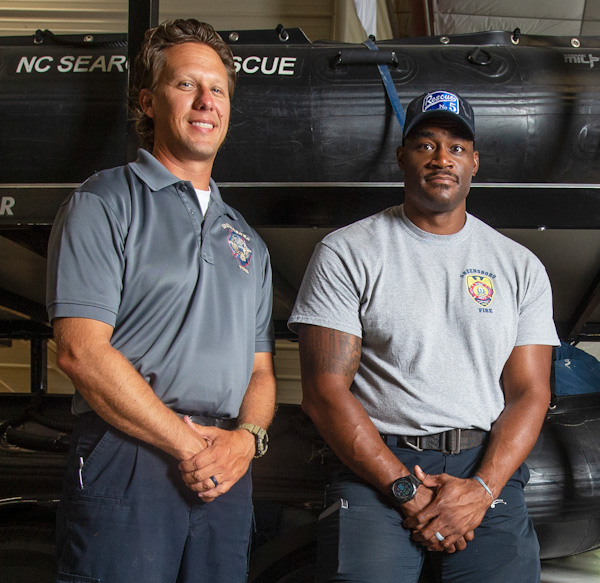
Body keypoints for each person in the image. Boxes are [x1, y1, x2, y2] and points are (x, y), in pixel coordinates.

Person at [288, 89, 559, 582]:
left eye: (456, 148)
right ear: (402, 158)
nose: (442, 159)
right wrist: (404, 491)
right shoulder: (347, 252)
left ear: (474, 163)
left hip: (485, 467)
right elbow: (324, 393)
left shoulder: (519, 266)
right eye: (426, 144)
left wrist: (480, 488)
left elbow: (530, 393)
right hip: (377, 467)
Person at [46, 19, 276, 583]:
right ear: (148, 101)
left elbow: (262, 371)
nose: (206, 102)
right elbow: (80, 351)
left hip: (224, 466)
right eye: (186, 85)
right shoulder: (103, 203)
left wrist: (245, 443)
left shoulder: (246, 238)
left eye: (217, 89)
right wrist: (187, 445)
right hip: (128, 456)